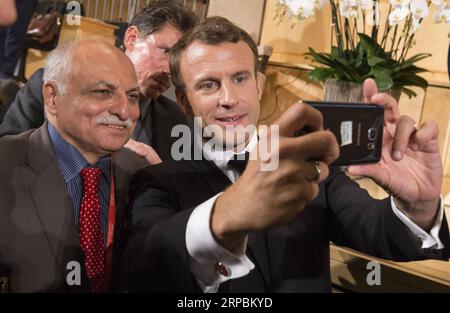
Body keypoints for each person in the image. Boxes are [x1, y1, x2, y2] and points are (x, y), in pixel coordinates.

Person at [123, 17, 449, 292]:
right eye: (208, 85)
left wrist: (418, 203)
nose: (229, 98)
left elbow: (375, 229)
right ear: (182, 101)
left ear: (259, 86)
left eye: (240, 78)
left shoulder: (312, 168)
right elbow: (148, 265)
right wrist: (225, 214)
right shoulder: (156, 181)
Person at [0, 40, 150, 292]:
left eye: (132, 96)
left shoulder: (140, 173)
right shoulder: (5, 165)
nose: (126, 111)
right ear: (52, 97)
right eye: (103, 91)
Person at [0, 0, 197, 162]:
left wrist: (157, 173)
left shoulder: (177, 122)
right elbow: (6, 154)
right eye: (166, 51)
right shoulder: (52, 86)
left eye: (180, 61)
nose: (169, 70)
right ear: (132, 38)